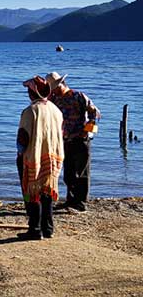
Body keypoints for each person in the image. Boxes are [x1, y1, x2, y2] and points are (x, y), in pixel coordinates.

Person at [16, 76, 64, 240]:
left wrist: (20, 153)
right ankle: (48, 228)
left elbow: (23, 136)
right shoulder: (55, 109)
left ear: (32, 92)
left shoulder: (30, 111)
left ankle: (35, 229)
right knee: (47, 192)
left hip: (34, 155)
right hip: (53, 155)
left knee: (32, 190)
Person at [45, 72, 101, 212]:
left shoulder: (79, 96)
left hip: (81, 139)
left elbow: (95, 113)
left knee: (82, 172)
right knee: (68, 172)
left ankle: (81, 202)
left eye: (55, 88)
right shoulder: (53, 99)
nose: (54, 91)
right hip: (63, 140)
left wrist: (87, 131)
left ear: (62, 85)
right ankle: (70, 200)